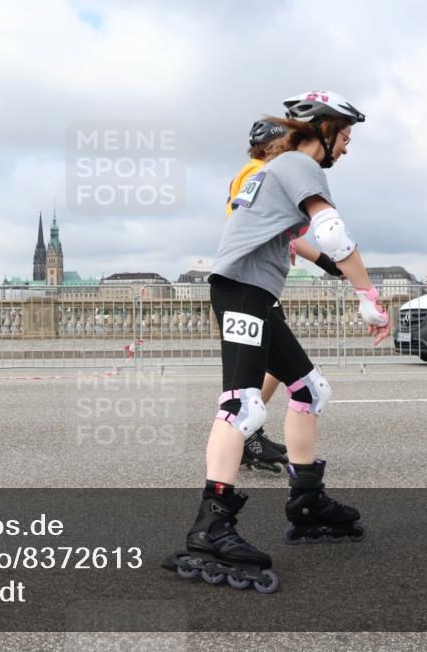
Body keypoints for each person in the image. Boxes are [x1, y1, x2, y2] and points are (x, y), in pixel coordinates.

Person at [163, 91, 390, 591]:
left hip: (256, 294)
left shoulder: (274, 170)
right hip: (243, 292)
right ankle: (211, 526)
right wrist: (368, 295)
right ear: (325, 130)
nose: (347, 149)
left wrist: (330, 268)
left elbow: (290, 237)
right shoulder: (298, 163)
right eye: (346, 137)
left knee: (310, 391)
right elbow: (333, 231)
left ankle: (306, 499)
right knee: (242, 407)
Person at [225, 119, 347, 475]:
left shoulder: (261, 172)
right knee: (279, 377)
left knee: (277, 370)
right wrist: (326, 259)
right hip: (252, 279)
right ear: (274, 146)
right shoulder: (259, 172)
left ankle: (248, 434)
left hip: (256, 278)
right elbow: (260, 224)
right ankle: (247, 436)